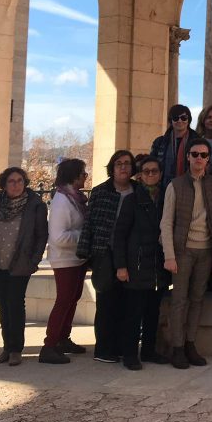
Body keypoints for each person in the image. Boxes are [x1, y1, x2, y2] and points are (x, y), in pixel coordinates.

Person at [161, 137, 212, 369]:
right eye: (195, 154)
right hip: (182, 251)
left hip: (206, 250)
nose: (199, 158)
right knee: (179, 300)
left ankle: (190, 343)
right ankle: (176, 347)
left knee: (197, 299)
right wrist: (169, 255)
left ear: (208, 159)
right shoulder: (175, 185)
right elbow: (167, 222)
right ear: (187, 157)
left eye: (203, 155)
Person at [78, 150, 136, 364]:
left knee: (125, 302)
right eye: (119, 163)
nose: (123, 167)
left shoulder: (137, 190)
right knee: (106, 303)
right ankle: (103, 348)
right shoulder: (100, 191)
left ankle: (120, 346)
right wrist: (86, 253)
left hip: (129, 254)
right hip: (104, 252)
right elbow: (89, 223)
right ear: (112, 167)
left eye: (127, 163)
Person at [113, 155, 169, 370]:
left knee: (153, 312)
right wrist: (121, 265)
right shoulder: (132, 200)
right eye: (146, 171)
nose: (151, 175)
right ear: (140, 175)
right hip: (136, 265)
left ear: (160, 174)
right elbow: (120, 235)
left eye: (154, 171)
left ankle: (148, 350)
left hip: (158, 265)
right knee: (133, 314)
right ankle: (129, 353)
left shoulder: (165, 199)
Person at [0, 167, 48, 366]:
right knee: (2, 306)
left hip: (20, 264)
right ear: (4, 184)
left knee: (15, 304)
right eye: (11, 181)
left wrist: (34, 261)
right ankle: (6, 347)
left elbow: (42, 235)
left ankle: (16, 349)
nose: (16, 185)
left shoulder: (35, 205)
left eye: (20, 181)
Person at [40, 158, 88, 364]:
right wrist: (84, 236)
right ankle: (49, 344)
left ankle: (63, 338)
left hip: (76, 258)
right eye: (83, 173)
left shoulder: (74, 198)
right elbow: (58, 237)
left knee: (72, 299)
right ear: (74, 176)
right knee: (63, 300)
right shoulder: (61, 201)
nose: (86, 177)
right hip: (64, 259)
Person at [150, 104, 196, 187]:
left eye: (183, 118)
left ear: (188, 120)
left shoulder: (197, 141)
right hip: (164, 187)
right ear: (170, 121)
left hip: (190, 186)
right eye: (175, 118)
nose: (179, 121)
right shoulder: (159, 142)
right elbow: (152, 163)